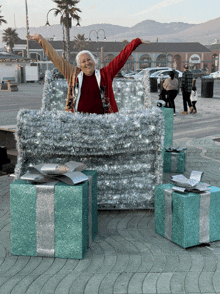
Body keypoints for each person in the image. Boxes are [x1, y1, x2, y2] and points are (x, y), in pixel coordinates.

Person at [27, 34, 146, 114]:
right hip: (77, 121)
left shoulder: (105, 74)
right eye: (83, 61)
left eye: (89, 59)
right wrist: (40, 39)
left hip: (104, 121)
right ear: (79, 65)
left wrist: (135, 42)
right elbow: (55, 57)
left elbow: (121, 58)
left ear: (94, 61)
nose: (87, 63)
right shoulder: (73, 74)